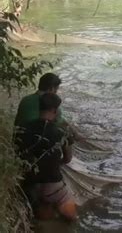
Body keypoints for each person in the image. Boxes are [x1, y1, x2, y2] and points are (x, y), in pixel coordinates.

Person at [15, 93, 77, 221]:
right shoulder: (62, 132)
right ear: (55, 110)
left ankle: (43, 214)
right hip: (53, 186)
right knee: (71, 216)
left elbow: (17, 154)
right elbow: (68, 159)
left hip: (28, 184)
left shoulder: (22, 128)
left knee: (43, 214)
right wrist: (55, 162)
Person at [14, 72, 83, 141]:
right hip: (34, 140)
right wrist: (75, 133)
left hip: (17, 138)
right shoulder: (51, 105)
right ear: (51, 89)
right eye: (56, 90)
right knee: (66, 136)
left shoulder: (25, 99)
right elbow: (62, 124)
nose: (56, 93)